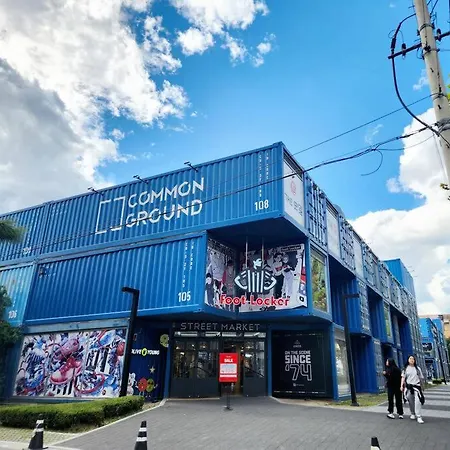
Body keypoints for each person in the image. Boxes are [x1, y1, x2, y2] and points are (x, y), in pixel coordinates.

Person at [401, 355, 425, 424]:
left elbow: (421, 378)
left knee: (418, 401)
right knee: (410, 399)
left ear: (414, 360)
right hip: (409, 387)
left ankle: (419, 416)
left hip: (417, 387)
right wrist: (401, 386)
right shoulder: (405, 368)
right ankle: (412, 413)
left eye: (413, 359)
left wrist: (422, 386)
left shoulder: (417, 368)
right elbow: (403, 377)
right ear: (408, 360)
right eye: (410, 358)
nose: (412, 360)